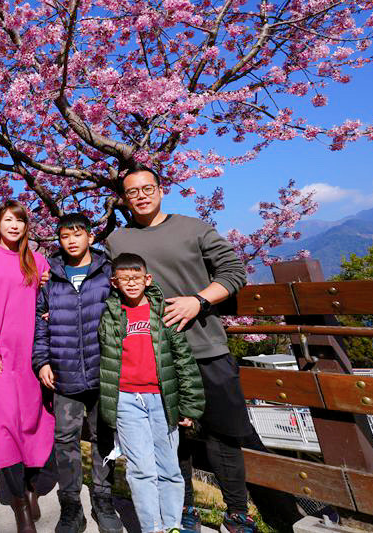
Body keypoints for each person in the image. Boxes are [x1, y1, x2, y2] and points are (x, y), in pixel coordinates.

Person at [106, 166, 292, 533]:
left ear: (161, 190)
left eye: (148, 188)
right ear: (124, 199)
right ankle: (184, 509)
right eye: (132, 192)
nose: (141, 196)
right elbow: (106, 283)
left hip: (206, 348)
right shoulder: (117, 240)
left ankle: (237, 512)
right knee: (172, 438)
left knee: (226, 433)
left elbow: (233, 271)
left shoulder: (194, 228)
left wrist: (199, 301)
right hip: (156, 358)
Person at [98, 252, 205, 533]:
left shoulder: (162, 313)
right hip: (126, 400)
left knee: (169, 468)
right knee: (140, 469)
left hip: (163, 400)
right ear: (114, 282)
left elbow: (183, 359)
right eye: (124, 279)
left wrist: (190, 407)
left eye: (136, 278)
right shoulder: (110, 315)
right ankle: (151, 528)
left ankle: (172, 526)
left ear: (148, 279)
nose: (131, 284)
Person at [0, 200, 55, 533]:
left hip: (32, 355)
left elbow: (47, 301)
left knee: (35, 421)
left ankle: (32, 487)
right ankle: (18, 504)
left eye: (20, 220)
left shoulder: (38, 261)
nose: (14, 226)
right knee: (3, 425)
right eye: (8, 220)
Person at [32, 213, 121, 533]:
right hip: (64, 374)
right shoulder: (51, 278)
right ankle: (71, 506)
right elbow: (38, 328)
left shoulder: (107, 273)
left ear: (90, 238)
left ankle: (103, 499)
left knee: (105, 437)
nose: (71, 240)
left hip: (103, 372)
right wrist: (41, 362)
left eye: (78, 234)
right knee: (65, 440)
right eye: (65, 235)